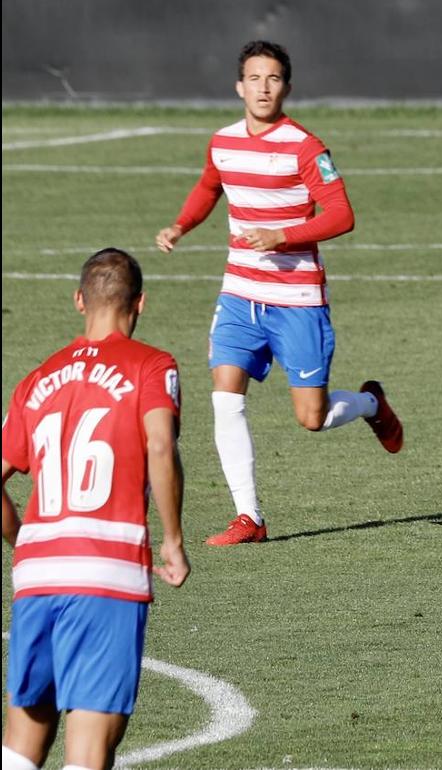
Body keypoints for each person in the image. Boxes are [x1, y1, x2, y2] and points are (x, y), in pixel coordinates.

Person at [154, 40, 403, 545]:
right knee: (225, 399)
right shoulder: (222, 141)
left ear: (286, 87)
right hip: (238, 295)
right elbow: (208, 187)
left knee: (312, 419)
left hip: (297, 301)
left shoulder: (306, 147)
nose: (263, 88)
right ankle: (250, 517)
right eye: (254, 78)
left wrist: (283, 235)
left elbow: (341, 213)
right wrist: (181, 225)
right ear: (238, 86)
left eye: (273, 79)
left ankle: (371, 405)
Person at [2, 248, 191, 770]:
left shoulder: (37, 379)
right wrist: (172, 541)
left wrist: (22, 539)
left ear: (79, 301)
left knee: (19, 746)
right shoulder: (152, 365)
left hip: (38, 574)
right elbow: (159, 445)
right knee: (88, 753)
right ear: (141, 304)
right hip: (105, 573)